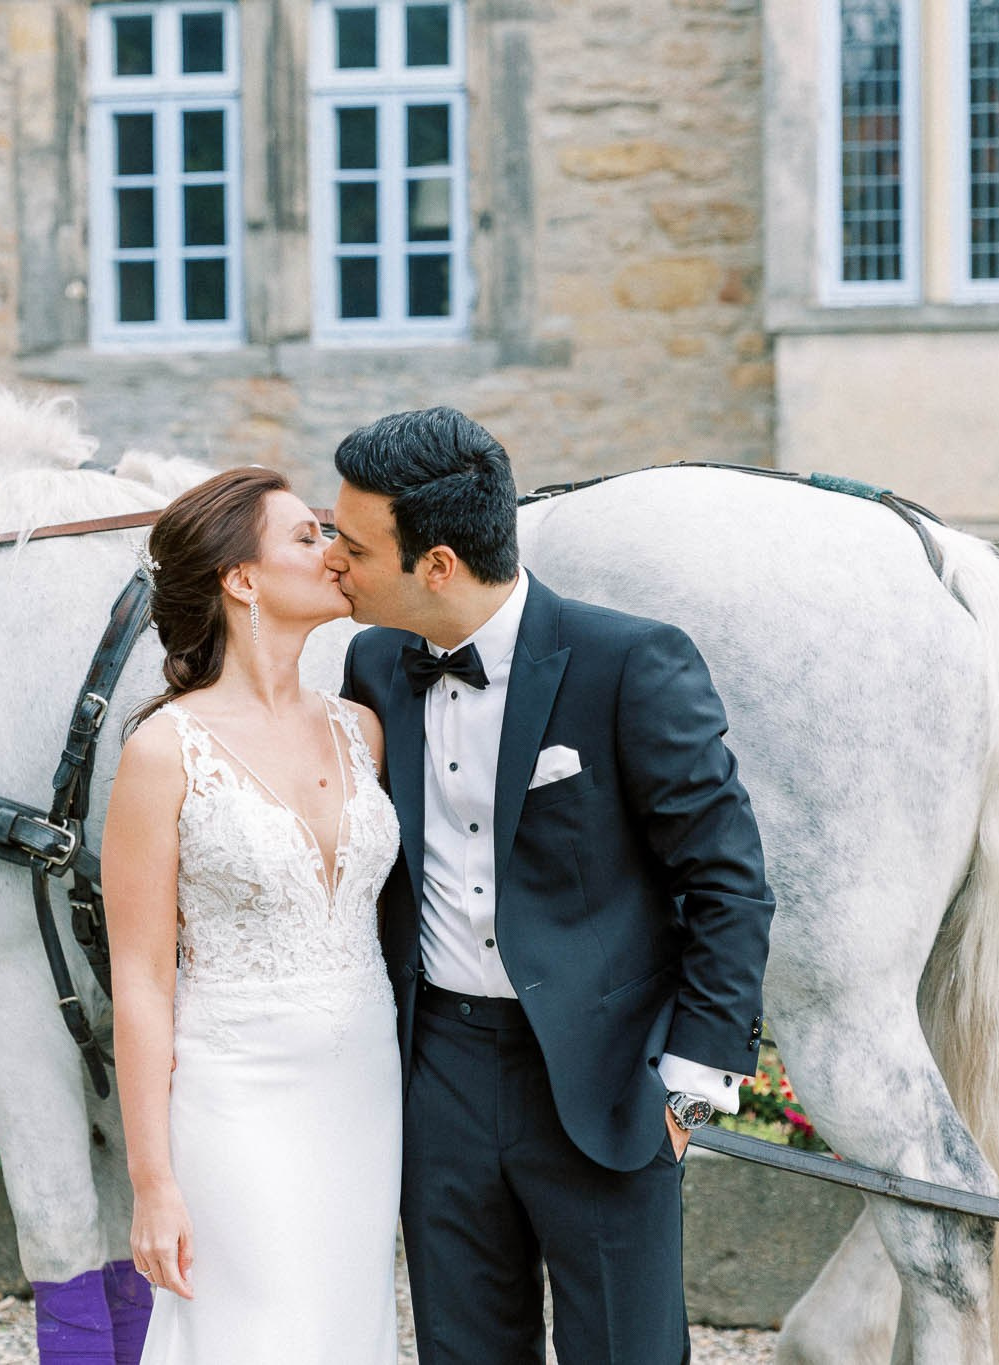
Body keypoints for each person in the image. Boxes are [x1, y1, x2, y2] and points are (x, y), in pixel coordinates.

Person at [327, 408, 776, 1365]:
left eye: (352, 544)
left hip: (609, 1082)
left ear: (436, 564)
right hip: (437, 1071)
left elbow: (728, 882)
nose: (334, 562)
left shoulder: (630, 662)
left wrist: (690, 1094)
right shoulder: (371, 663)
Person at [100, 466, 402, 1364]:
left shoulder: (364, 729)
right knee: (254, 1331)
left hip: (361, 1085)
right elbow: (142, 978)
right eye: (308, 536)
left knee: (346, 1326)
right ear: (241, 579)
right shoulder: (164, 751)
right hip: (234, 1094)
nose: (335, 552)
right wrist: (153, 1183)